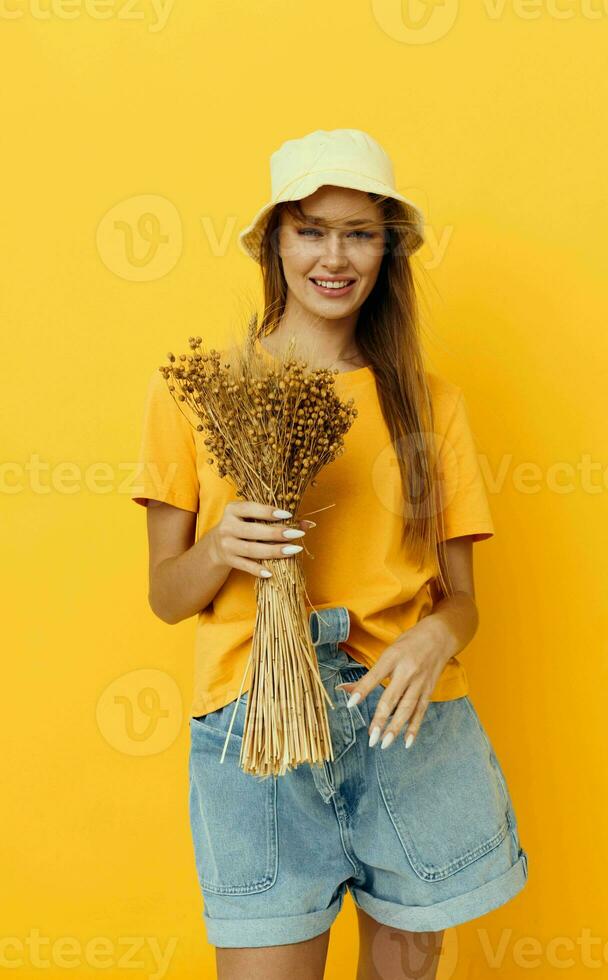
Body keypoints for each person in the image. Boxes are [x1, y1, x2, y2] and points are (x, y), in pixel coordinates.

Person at [131, 128, 529, 980]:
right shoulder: (192, 396)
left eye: (360, 232)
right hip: (255, 736)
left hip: (407, 728)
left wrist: (437, 637)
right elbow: (168, 596)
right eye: (311, 229)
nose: (334, 256)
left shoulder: (430, 402)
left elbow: (463, 600)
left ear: (388, 249)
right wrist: (222, 547)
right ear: (275, 241)